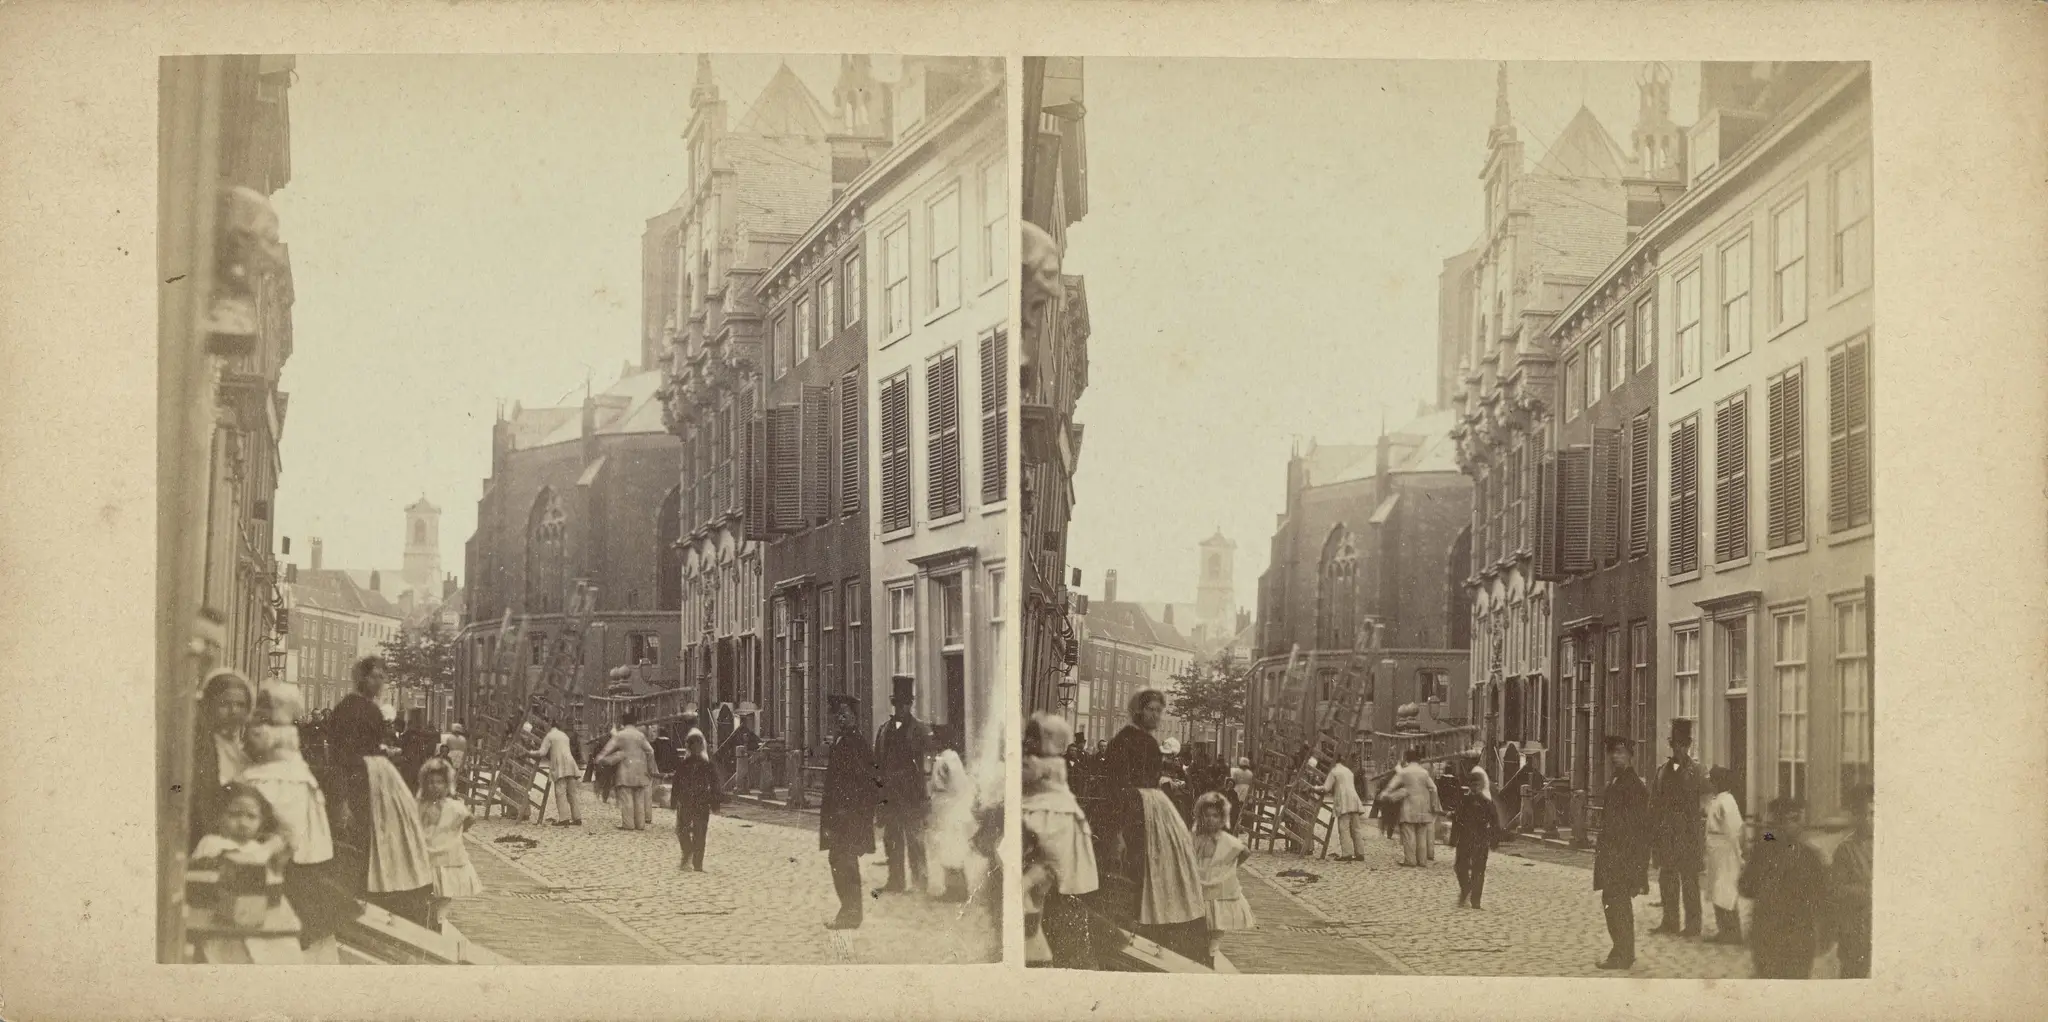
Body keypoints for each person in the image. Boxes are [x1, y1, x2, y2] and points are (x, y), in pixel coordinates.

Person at [327, 656, 436, 927]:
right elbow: (343, 753)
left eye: (382, 677)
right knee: (367, 832)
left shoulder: (367, 709)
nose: (379, 682)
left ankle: (376, 889)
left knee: (378, 832)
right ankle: (367, 892)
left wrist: (384, 753)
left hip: (373, 777)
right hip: (361, 777)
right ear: (361, 678)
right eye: (374, 676)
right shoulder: (352, 708)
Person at [1099, 689, 1207, 954]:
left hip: (1151, 810)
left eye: (1160, 710)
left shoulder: (1146, 741)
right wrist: (1118, 829)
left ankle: (1155, 924)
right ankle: (1144, 926)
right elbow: (1117, 785)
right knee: (1142, 867)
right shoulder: (1127, 740)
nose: (1156, 715)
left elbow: (1145, 776)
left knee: (1156, 866)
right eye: (1151, 710)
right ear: (1138, 710)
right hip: (1136, 811)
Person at [241, 682, 343, 963]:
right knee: (294, 858)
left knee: (286, 853)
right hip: (291, 785)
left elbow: (256, 751)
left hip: (283, 786)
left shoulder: (266, 730)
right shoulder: (286, 731)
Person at [189, 783, 302, 964]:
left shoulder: (257, 847)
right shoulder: (212, 843)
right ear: (218, 816)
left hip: (259, 918)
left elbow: (271, 883)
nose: (243, 823)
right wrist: (270, 847)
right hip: (224, 922)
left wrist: (280, 864)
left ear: (261, 821)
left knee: (279, 952)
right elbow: (243, 863)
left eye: (251, 817)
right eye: (234, 815)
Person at [1740, 796, 1830, 978]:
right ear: (1780, 821)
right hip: (1775, 937)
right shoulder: (1807, 854)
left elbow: (1822, 899)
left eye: (1801, 819)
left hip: (1792, 938)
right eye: (1794, 819)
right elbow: (1745, 887)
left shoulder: (1805, 855)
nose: (1801, 825)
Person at [819, 694, 879, 929]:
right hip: (839, 815)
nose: (841, 719)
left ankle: (851, 913)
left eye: (846, 714)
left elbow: (863, 780)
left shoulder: (854, 743)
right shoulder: (842, 740)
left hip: (848, 815)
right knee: (839, 859)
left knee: (845, 861)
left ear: (855, 718)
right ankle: (849, 910)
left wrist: (851, 811)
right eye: (838, 715)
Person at [1593, 735, 1651, 970]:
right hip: (1611, 853)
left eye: (1620, 752)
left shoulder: (1633, 785)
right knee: (1612, 901)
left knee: (1618, 903)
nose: (1615, 757)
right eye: (1612, 753)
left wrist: (1636, 866)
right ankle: (1621, 950)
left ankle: (1623, 953)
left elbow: (1639, 829)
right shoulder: (1616, 781)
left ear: (1630, 755)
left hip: (1623, 855)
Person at [873, 675, 932, 894]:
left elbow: (926, 765)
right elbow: (877, 763)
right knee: (892, 840)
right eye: (898, 704)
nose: (902, 708)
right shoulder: (884, 730)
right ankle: (895, 880)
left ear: (911, 704)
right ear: (894, 704)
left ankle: (920, 882)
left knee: (915, 840)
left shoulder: (919, 731)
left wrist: (925, 796)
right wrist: (879, 795)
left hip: (912, 795)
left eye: (906, 704)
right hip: (890, 796)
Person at [1651, 719, 1707, 938]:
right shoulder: (1661, 772)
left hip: (1689, 834)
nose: (1679, 748)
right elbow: (1654, 804)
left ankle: (1693, 925)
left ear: (1690, 744)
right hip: (1666, 834)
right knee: (1667, 879)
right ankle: (1670, 921)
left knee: (1690, 880)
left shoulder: (1698, 772)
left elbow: (1704, 805)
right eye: (1675, 744)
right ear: (1670, 744)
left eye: (1683, 744)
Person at [191, 669, 256, 851]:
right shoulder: (202, 748)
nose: (233, 711)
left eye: (240, 705)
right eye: (224, 704)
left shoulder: (244, 753)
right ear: (209, 705)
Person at [415, 758, 482, 931]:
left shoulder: (454, 806)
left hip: (448, 855)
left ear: (447, 784)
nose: (434, 786)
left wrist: (454, 832)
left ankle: (439, 920)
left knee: (446, 891)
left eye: (439, 782)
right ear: (424, 784)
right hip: (427, 854)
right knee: (426, 892)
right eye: (430, 782)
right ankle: (428, 919)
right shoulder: (420, 805)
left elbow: (469, 819)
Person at [1190, 791, 1255, 965]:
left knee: (1218, 919)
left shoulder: (1225, 839)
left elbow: (1244, 852)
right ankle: (1202, 949)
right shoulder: (1195, 836)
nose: (1211, 820)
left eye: (1215, 816)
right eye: (1207, 816)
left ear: (1222, 818)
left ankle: (1212, 951)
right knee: (1202, 918)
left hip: (1218, 883)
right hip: (1200, 880)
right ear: (1200, 817)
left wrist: (1230, 867)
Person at [927, 734, 977, 902]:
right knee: (946, 848)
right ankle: (953, 888)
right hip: (946, 806)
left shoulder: (949, 759)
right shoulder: (947, 757)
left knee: (951, 847)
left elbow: (954, 784)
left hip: (950, 807)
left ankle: (958, 890)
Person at [1832, 783, 1874, 978]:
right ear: (1855, 816)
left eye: (1873, 813)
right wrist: (1868, 892)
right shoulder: (1846, 849)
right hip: (1856, 932)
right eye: (1863, 814)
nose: (1869, 820)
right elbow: (1838, 889)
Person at [1703, 765, 1747, 945]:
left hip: (1726, 851)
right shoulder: (1717, 800)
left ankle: (1732, 932)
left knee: (1725, 891)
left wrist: (1739, 853)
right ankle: (1724, 930)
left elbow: (1737, 829)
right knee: (1716, 891)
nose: (1711, 784)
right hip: (1716, 851)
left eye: (1713, 781)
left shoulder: (1727, 801)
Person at [1381, 747, 1443, 867]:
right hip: (1423, 807)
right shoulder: (1424, 773)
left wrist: (1385, 794)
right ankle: (1422, 861)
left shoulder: (1404, 772)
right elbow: (1433, 788)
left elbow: (1392, 785)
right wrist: (1433, 804)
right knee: (1421, 834)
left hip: (1409, 807)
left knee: (1408, 834)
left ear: (1407, 759)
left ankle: (1410, 860)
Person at [672, 730, 723, 872]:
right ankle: (696, 862)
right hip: (698, 801)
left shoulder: (690, 764)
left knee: (686, 830)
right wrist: (715, 803)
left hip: (690, 800)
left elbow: (676, 783)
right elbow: (715, 785)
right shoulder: (704, 764)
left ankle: (690, 855)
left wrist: (673, 800)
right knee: (697, 831)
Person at [597, 712, 657, 830]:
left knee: (627, 797)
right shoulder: (640, 735)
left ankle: (628, 824)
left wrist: (599, 759)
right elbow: (651, 751)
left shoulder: (621, 735)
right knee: (639, 798)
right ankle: (640, 824)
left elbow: (608, 748)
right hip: (640, 770)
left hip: (625, 770)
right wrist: (650, 767)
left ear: (624, 722)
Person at [1451, 766, 1500, 909]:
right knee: (1460, 867)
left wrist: (1494, 840)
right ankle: (1466, 888)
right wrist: (1453, 839)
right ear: (1469, 786)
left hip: (1480, 838)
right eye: (1472, 785)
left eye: (1477, 785)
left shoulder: (1487, 803)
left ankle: (1476, 900)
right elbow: (1457, 820)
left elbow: (1494, 822)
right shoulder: (1464, 801)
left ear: (1481, 786)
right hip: (1465, 838)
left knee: (1479, 869)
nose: (1475, 788)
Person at [1312, 752, 1369, 861]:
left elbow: (1326, 788)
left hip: (1343, 802)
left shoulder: (1334, 771)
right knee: (1356, 829)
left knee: (1344, 829)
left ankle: (1347, 854)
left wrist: (1314, 788)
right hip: (1354, 800)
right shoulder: (1348, 771)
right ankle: (1360, 853)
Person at [535, 717, 583, 826]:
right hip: (570, 764)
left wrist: (530, 753)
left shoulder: (549, 736)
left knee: (560, 792)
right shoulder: (564, 735)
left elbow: (542, 752)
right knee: (572, 793)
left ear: (550, 726)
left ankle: (564, 819)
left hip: (560, 766)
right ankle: (577, 818)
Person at [1229, 757, 1255, 833]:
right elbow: (1251, 783)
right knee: (1244, 809)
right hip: (1247, 791)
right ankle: (1242, 826)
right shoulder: (1250, 773)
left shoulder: (1236, 772)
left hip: (1238, 791)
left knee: (1236, 808)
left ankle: (1236, 825)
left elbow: (1233, 781)